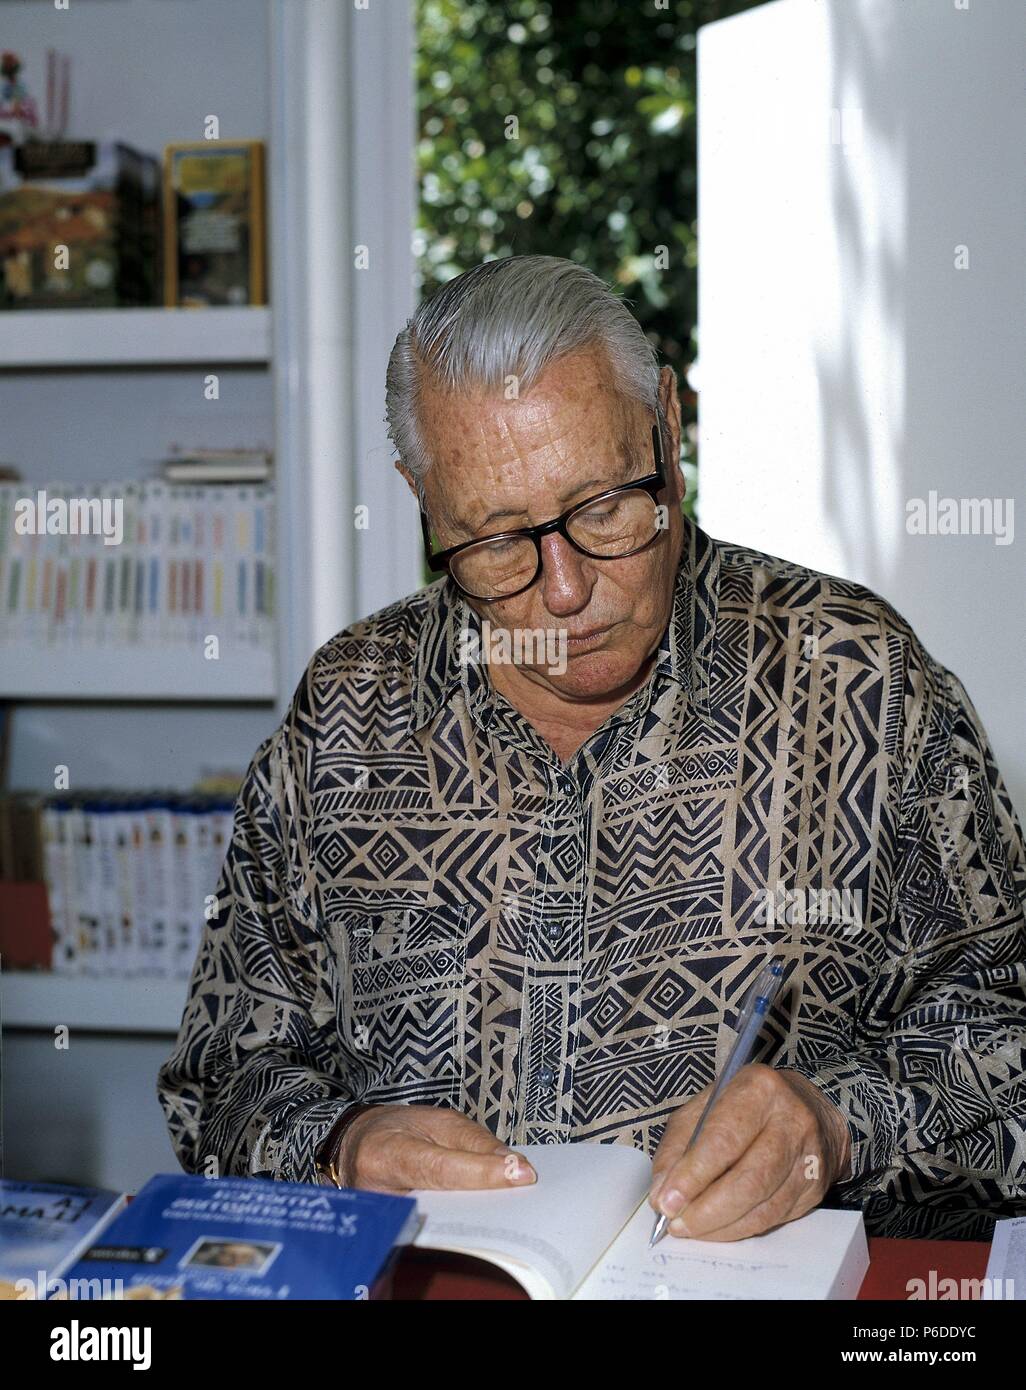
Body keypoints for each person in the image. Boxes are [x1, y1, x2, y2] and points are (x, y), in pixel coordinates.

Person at [158, 256, 1026, 1241]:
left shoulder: (863, 681)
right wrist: (340, 1144)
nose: (565, 590)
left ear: (667, 422)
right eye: (494, 539)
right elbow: (219, 1079)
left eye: (605, 506)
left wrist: (839, 1124)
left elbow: (1009, 1046)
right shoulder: (348, 708)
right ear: (418, 494)